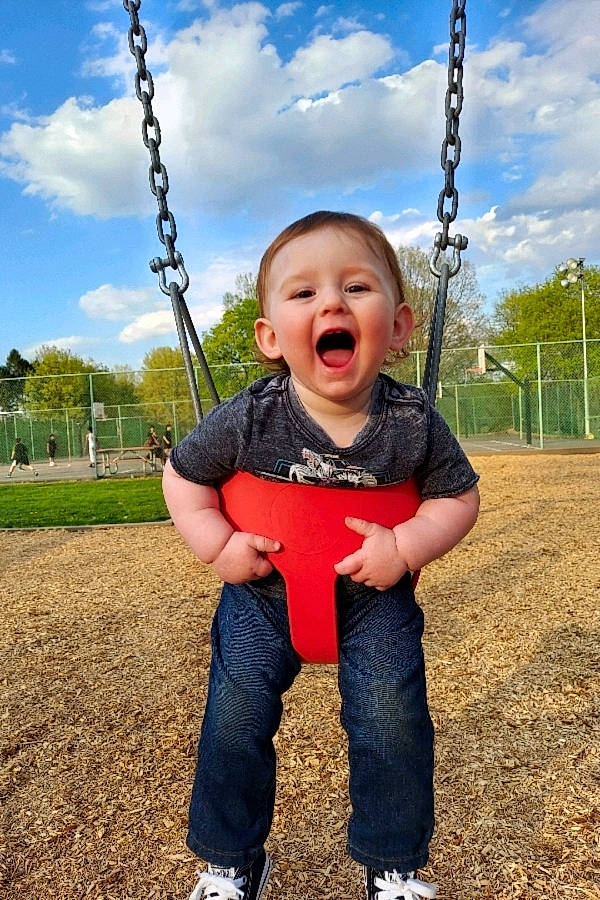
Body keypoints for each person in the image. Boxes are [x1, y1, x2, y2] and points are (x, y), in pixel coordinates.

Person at [162, 211, 480, 900]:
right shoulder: (251, 416)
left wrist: (405, 545)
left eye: (356, 287)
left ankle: (394, 868)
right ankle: (229, 861)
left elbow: (458, 499)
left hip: (375, 598)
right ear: (272, 338)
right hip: (261, 593)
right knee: (234, 720)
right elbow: (184, 476)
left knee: (392, 723)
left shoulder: (413, 421)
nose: (331, 302)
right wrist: (217, 546)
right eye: (303, 293)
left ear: (397, 328)